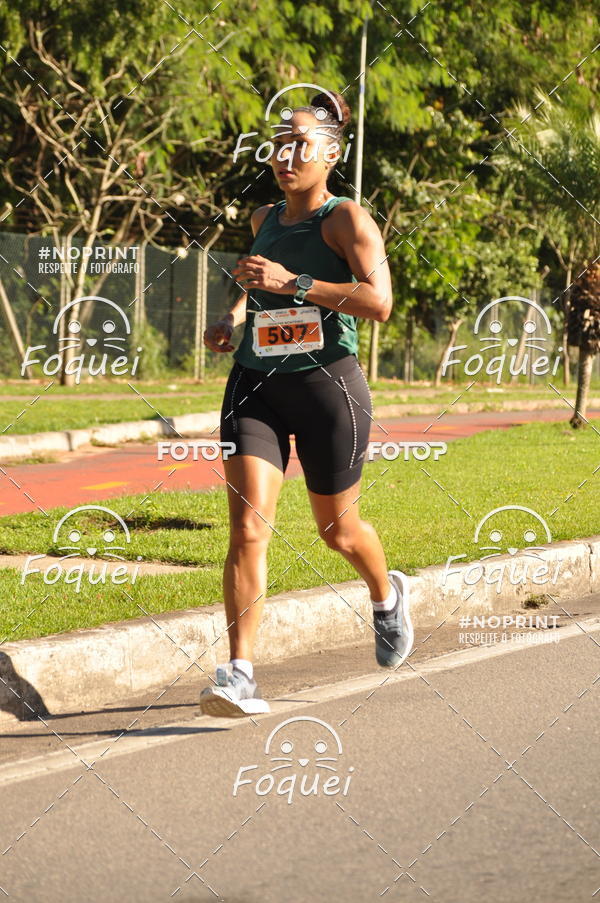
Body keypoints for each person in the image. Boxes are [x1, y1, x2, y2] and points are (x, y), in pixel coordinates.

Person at [200, 90, 413, 718]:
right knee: (246, 527)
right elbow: (257, 278)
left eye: (301, 143)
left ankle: (385, 594)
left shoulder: (348, 220)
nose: (286, 153)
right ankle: (240, 674)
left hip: (329, 389)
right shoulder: (263, 216)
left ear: (331, 154)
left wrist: (293, 284)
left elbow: (379, 304)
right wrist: (232, 313)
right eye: (280, 141)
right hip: (256, 385)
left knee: (337, 530)